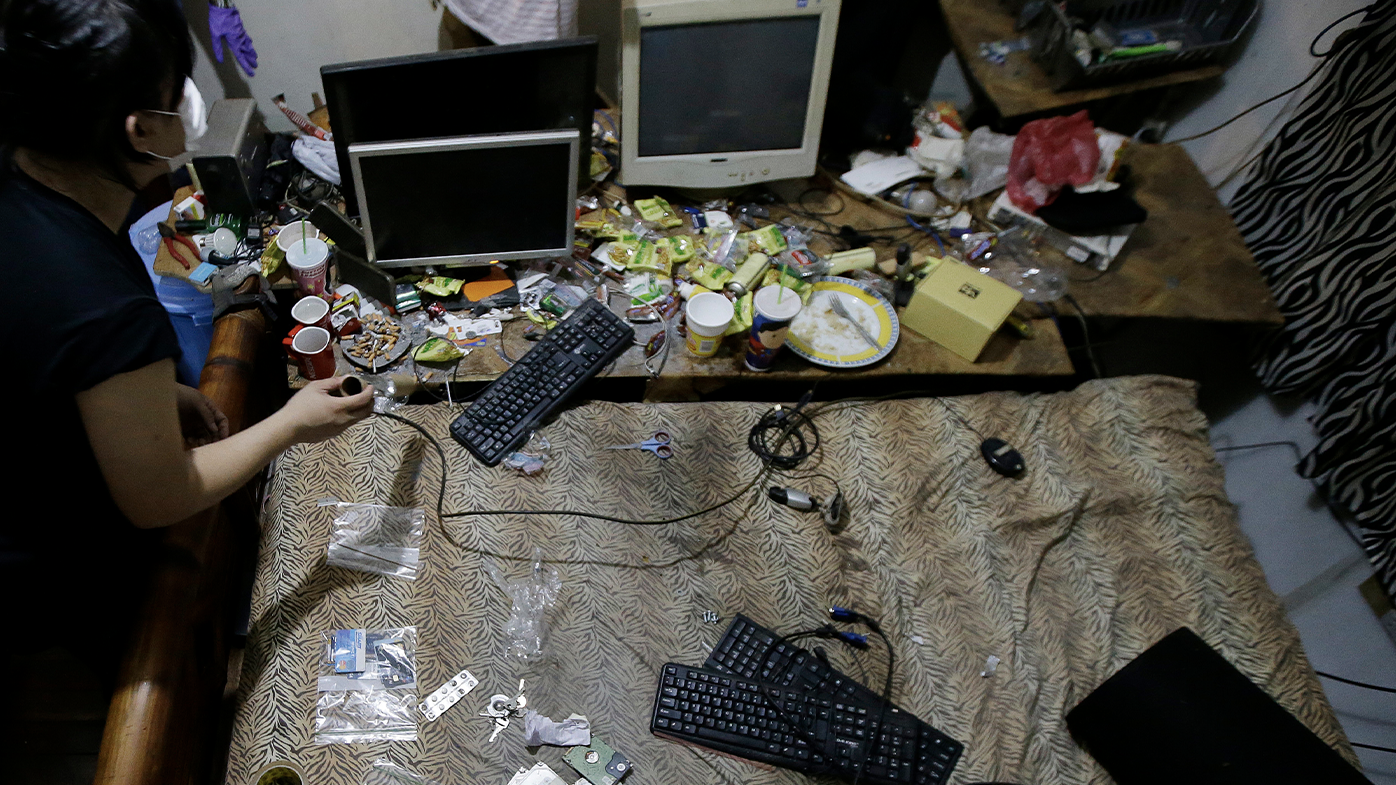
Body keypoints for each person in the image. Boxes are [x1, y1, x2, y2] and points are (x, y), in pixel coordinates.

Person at [0, 0, 374, 674]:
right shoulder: (100, 301)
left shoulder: (26, 177)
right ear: (140, 129)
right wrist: (292, 422)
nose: (191, 102)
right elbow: (160, 497)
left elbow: (46, 356)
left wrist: (149, 390)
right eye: (178, 91)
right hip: (51, 560)